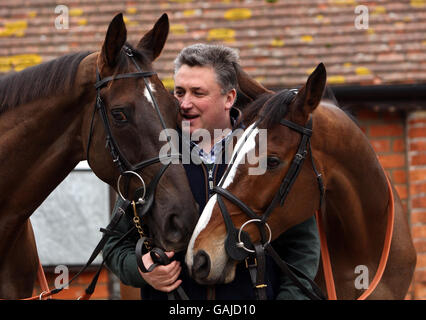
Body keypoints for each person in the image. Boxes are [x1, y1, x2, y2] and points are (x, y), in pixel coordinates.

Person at [103, 43, 321, 300]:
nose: (184, 104)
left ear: (229, 98)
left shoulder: (265, 155)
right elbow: (115, 245)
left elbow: (302, 248)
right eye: (179, 92)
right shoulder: (152, 158)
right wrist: (141, 269)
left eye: (198, 93)